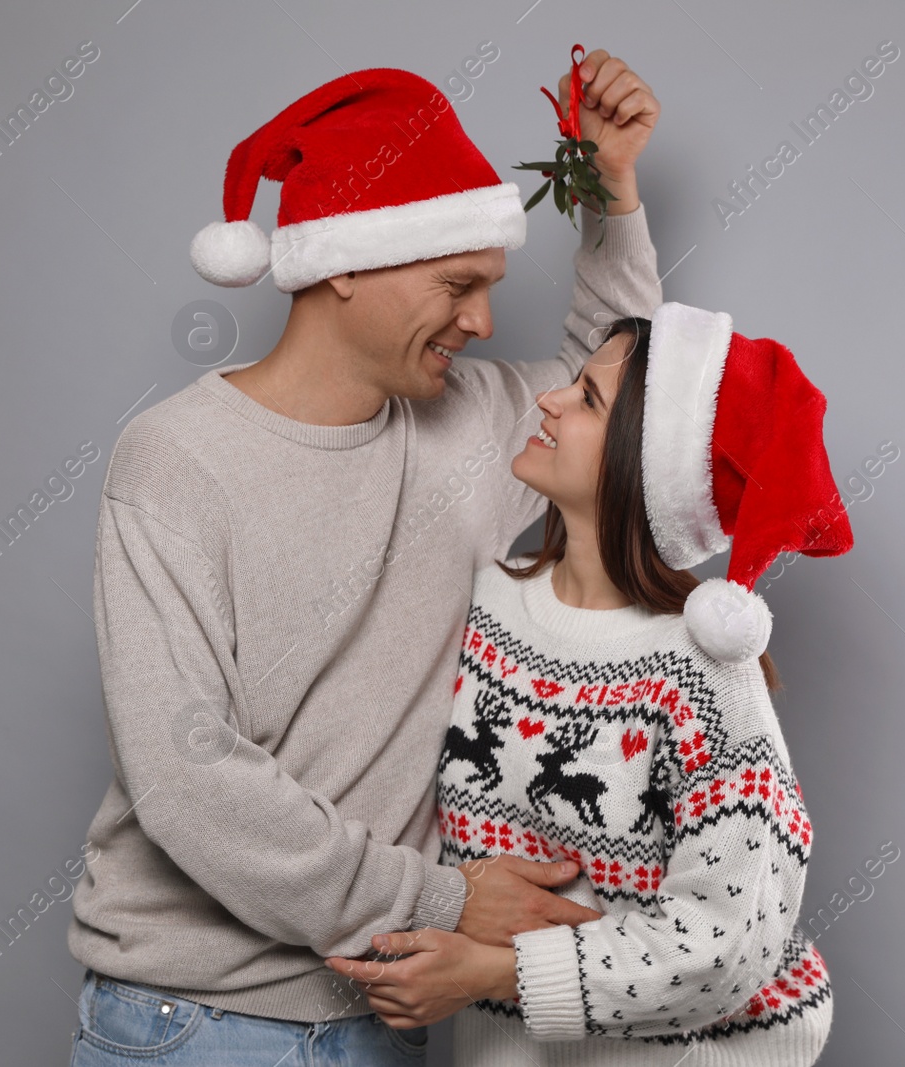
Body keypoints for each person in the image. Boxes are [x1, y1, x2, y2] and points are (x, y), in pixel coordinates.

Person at [65, 50, 666, 1065]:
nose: (481, 321)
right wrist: (440, 897)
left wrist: (610, 190)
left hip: (385, 1018)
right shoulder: (175, 459)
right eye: (458, 282)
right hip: (198, 1028)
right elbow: (185, 770)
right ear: (344, 262)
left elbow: (607, 388)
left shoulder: (469, 427)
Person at [323, 302, 855, 1065]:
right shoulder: (480, 608)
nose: (548, 399)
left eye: (587, 398)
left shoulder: (704, 673)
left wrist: (497, 973)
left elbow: (730, 937)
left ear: (646, 462)